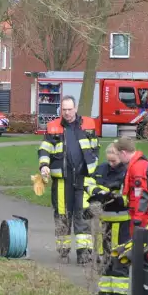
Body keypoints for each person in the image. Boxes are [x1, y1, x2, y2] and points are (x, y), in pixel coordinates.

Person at [38, 96, 101, 263]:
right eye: (64, 109)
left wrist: (92, 170)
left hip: (83, 179)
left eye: (69, 109)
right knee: (62, 215)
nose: (67, 112)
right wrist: (44, 165)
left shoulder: (87, 126)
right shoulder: (53, 128)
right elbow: (44, 149)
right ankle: (63, 252)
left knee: (83, 215)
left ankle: (84, 253)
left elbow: (95, 149)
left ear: (75, 109)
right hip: (62, 180)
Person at [90, 143, 131, 295]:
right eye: (109, 161)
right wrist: (96, 194)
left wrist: (115, 196)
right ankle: (105, 290)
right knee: (103, 255)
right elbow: (89, 183)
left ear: (121, 156)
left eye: (114, 161)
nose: (111, 164)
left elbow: (127, 197)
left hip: (120, 222)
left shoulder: (127, 172)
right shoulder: (101, 169)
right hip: (103, 220)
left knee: (119, 257)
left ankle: (119, 294)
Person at [115, 136, 148, 234]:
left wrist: (137, 218)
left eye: (118, 155)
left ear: (123, 153)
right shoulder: (141, 164)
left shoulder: (137, 168)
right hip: (143, 213)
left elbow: (142, 193)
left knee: (141, 245)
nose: (119, 158)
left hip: (142, 215)